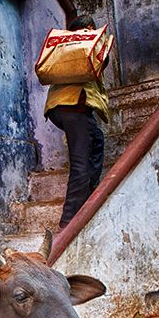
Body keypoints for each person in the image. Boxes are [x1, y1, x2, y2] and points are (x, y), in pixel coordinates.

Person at [44, 14, 110, 230]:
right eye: (90, 28)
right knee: (80, 162)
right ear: (86, 29)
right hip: (74, 106)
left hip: (61, 108)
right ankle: (68, 222)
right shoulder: (82, 45)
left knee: (97, 140)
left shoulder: (65, 51)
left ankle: (89, 196)